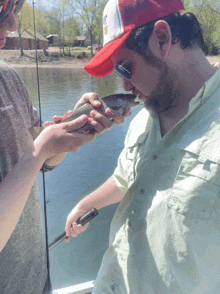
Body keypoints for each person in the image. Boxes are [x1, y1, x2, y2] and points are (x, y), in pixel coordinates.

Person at [65, 0, 220, 293]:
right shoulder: (144, 116)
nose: (124, 87)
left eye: (125, 68)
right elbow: (128, 178)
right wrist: (87, 204)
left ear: (162, 39)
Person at [0, 1, 129, 293]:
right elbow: (37, 155)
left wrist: (75, 129)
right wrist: (39, 152)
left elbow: (44, 162)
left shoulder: (9, 77)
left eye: (16, 8)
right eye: (2, 7)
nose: (13, 24)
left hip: (36, 279)